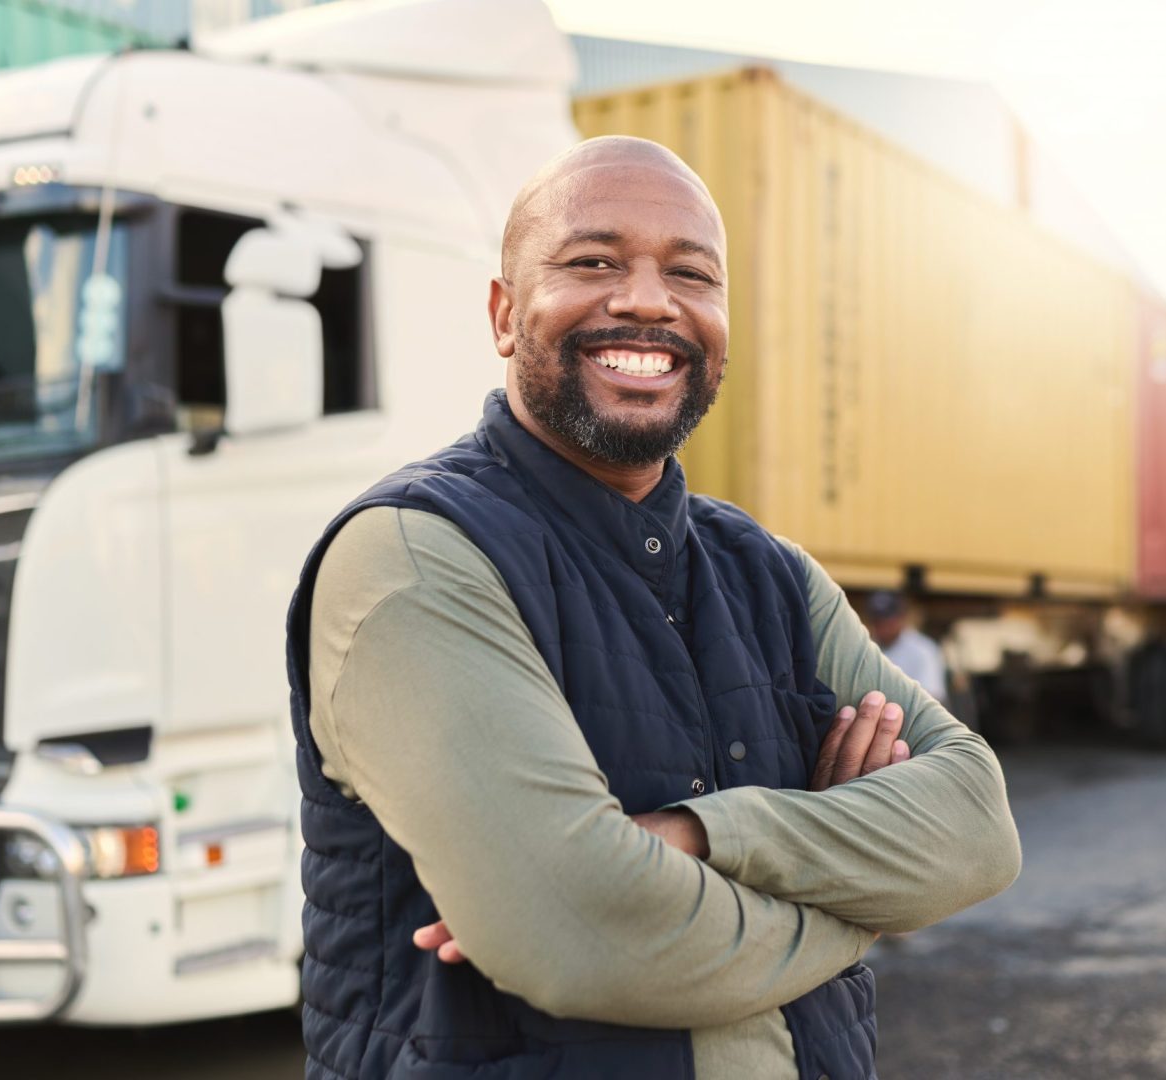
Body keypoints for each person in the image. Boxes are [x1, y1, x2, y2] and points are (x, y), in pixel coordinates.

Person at [285, 136, 1021, 1080]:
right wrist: (866, 899)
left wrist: (700, 837)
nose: (646, 299)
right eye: (593, 262)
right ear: (505, 314)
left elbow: (977, 826)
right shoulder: (416, 555)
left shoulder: (771, 575)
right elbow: (575, 929)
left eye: (691, 273)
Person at [864, 590, 949, 702]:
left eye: (888, 622)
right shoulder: (867, 647)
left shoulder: (924, 649)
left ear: (901, 618)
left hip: (912, 716)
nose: (883, 628)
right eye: (877, 622)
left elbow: (931, 697)